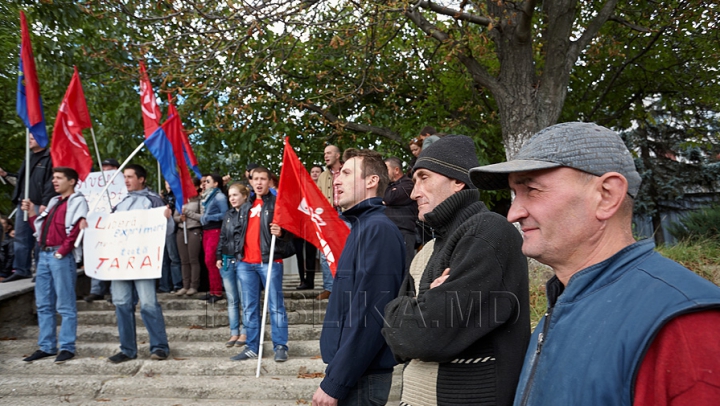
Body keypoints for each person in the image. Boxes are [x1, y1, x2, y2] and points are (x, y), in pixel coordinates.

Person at [469, 122, 720, 405]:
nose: (513, 213)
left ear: (606, 196)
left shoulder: (685, 326)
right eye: (515, 194)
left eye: (532, 189)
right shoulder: (565, 305)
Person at [382, 135, 530, 406]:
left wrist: (418, 309)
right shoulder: (427, 250)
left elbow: (426, 336)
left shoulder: (489, 232)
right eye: (414, 181)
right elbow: (393, 333)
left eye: (424, 178)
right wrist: (425, 304)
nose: (414, 192)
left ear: (458, 181)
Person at [312, 148, 405, 406]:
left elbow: (371, 314)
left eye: (347, 173)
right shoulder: (363, 226)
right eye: (338, 174)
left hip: (362, 377)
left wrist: (335, 383)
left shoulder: (377, 229)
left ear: (372, 181)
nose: (337, 180)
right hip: (354, 372)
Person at [20, 167, 88, 364]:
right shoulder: (53, 202)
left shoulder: (78, 201)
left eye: (59, 178)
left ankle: (67, 346)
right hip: (44, 254)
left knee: (65, 304)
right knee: (43, 303)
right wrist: (32, 213)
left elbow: (76, 229)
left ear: (72, 181)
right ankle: (46, 346)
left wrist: (62, 251)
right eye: (54, 178)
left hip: (59, 255)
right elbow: (40, 229)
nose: (54, 182)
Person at [230, 166, 295, 362]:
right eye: (255, 179)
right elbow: (234, 233)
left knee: (275, 306)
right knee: (249, 307)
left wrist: (281, 233)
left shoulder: (277, 204)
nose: (259, 182)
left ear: (269, 182)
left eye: (263, 179)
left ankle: (280, 346)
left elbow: (291, 232)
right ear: (250, 182)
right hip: (246, 263)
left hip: (269, 261)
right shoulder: (244, 206)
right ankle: (252, 347)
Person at [108, 164, 171, 363]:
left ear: (141, 178)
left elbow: (167, 232)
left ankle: (159, 347)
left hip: (143, 261)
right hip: (120, 261)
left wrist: (167, 220)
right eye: (124, 177)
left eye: (129, 176)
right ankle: (127, 349)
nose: (125, 180)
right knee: (121, 303)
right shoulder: (117, 203)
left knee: (149, 304)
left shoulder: (153, 200)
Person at [2, 134, 56, 283]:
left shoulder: (51, 157)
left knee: (39, 236)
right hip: (23, 202)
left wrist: (45, 202)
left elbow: (51, 182)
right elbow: (22, 179)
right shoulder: (28, 156)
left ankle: (41, 270)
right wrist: (6, 176)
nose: (29, 140)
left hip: (39, 202)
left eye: (32, 137)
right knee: (21, 236)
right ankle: (21, 269)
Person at [216, 182, 250, 348]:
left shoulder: (250, 212)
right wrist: (218, 256)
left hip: (243, 260)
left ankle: (246, 332)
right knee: (232, 299)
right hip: (227, 260)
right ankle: (233, 332)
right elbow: (223, 236)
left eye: (235, 195)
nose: (232, 199)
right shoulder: (228, 214)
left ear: (244, 195)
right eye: (230, 196)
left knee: (245, 299)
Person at [85, 158, 121, 302]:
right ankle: (96, 290)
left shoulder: (122, 188)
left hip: (117, 228)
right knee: (97, 256)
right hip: (98, 228)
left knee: (115, 258)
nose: (105, 172)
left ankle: (114, 290)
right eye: (103, 169)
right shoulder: (94, 189)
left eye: (109, 169)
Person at [315, 145, 343, 300]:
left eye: (329, 153)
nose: (325, 156)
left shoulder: (348, 171)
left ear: (338, 155)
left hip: (346, 214)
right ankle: (329, 288)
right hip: (328, 216)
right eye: (324, 153)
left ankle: (348, 286)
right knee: (325, 254)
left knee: (348, 250)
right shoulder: (323, 176)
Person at [383, 156, 418, 270]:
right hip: (389, 232)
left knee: (404, 270)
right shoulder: (387, 186)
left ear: (396, 170)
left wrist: (386, 199)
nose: (383, 173)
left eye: (386, 169)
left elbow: (390, 198)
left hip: (404, 233)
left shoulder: (409, 184)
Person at [199, 173, 228, 303]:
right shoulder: (208, 197)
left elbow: (225, 214)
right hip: (207, 231)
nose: (205, 183)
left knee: (211, 260)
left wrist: (208, 217)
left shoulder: (220, 197)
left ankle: (217, 292)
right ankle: (212, 290)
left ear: (216, 183)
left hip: (215, 230)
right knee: (208, 262)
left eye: (208, 181)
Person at [173, 177, 203, 296]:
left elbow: (202, 217)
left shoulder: (200, 201)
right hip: (181, 231)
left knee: (193, 259)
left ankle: (194, 285)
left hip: (193, 230)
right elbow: (174, 217)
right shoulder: (181, 200)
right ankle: (185, 286)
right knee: (183, 260)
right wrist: (180, 218)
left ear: (196, 187)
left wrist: (188, 213)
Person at [159, 181, 183, 293]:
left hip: (172, 229)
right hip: (160, 229)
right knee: (163, 259)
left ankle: (177, 284)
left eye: (171, 180)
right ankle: (164, 285)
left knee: (174, 257)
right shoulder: (162, 197)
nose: (169, 183)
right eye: (166, 181)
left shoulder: (177, 196)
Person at [0, 216, 14, 280]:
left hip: (3, 273)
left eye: (2, 223)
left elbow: (11, 257)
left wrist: (4, 273)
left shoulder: (10, 241)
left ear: (8, 227)